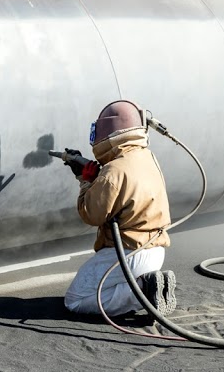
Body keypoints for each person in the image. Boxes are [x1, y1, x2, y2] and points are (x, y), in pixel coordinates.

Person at [63, 100, 177, 316]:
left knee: (75, 301)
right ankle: (148, 285)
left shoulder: (114, 170)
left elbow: (92, 214)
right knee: (102, 289)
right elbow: (125, 193)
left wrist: (85, 182)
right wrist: (96, 179)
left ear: (107, 132)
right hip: (154, 251)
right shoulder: (146, 157)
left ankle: (143, 290)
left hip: (129, 253)